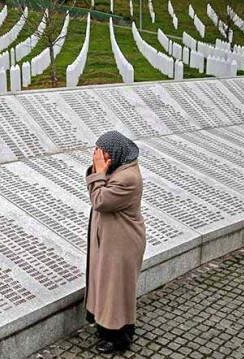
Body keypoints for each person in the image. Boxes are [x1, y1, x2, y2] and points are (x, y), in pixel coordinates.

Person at [83, 130, 147, 354]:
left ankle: (119, 338)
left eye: (104, 155)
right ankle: (107, 328)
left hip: (123, 243)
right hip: (111, 241)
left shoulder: (127, 178)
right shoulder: (119, 168)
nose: (100, 159)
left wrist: (99, 172)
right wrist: (99, 170)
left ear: (117, 154)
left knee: (116, 290)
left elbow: (99, 200)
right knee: (107, 286)